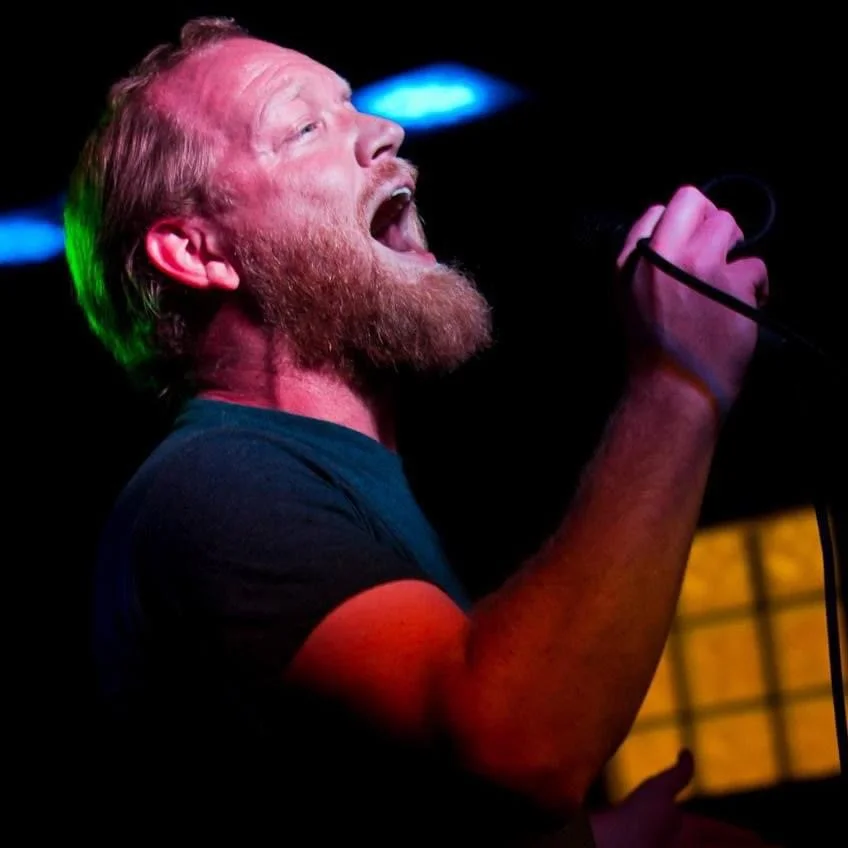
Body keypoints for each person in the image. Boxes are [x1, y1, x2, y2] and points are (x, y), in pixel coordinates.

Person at [65, 15, 777, 846]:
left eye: (352, 106)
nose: (384, 131)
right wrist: (678, 383)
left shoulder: (326, 482)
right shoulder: (213, 489)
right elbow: (515, 746)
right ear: (195, 252)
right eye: (303, 127)